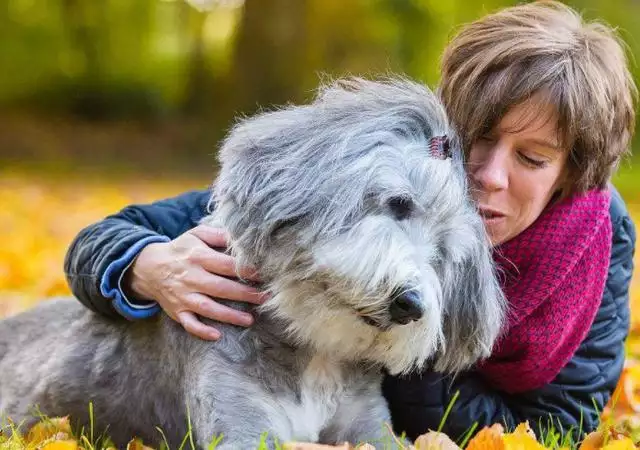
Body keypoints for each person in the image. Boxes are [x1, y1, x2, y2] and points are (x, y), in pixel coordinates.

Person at [64, 1, 636, 442]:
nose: (487, 175)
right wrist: (146, 265)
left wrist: (400, 340)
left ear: (569, 174)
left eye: (532, 159)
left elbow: (560, 425)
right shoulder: (379, 177)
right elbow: (102, 240)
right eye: (475, 139)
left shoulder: (598, 244)